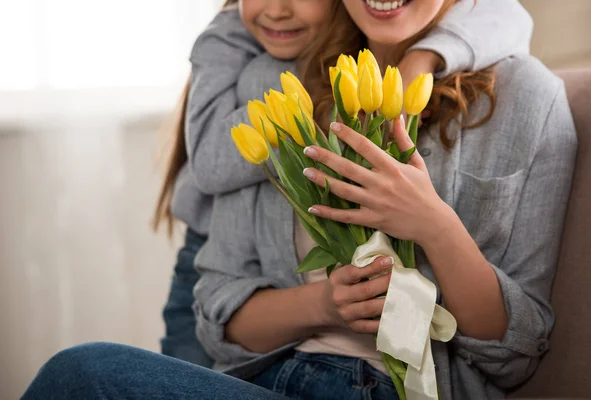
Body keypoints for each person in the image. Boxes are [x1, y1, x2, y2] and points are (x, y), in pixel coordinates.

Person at [21, 0, 556, 399]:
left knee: (79, 376)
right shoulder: (283, 88)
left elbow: (516, 350)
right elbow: (216, 311)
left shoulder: (526, 98)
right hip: (269, 378)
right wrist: (326, 306)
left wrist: (433, 225)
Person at [152, 0, 533, 369]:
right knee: (171, 368)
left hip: (285, 305)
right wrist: (312, 111)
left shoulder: (497, 71)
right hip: (208, 247)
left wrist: (423, 58)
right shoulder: (234, 39)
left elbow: (508, 15)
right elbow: (209, 165)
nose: (277, 9)